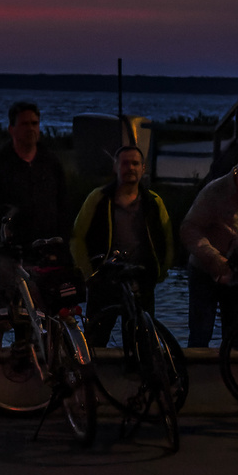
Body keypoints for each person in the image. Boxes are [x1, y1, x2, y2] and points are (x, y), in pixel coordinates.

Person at [0, 101, 72, 320]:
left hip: (45, 256)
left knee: (49, 320)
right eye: (25, 123)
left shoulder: (50, 162)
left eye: (35, 123)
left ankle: (42, 354)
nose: (31, 128)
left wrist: (63, 246)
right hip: (8, 257)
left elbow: (63, 206)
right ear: (11, 129)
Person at [70, 144, 174, 343]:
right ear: (115, 167)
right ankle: (93, 371)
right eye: (125, 163)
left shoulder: (153, 202)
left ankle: (136, 373)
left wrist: (161, 270)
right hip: (104, 277)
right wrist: (87, 272)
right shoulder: (98, 199)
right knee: (95, 337)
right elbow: (78, 236)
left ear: (143, 168)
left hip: (140, 278)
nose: (131, 168)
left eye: (135, 163)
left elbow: (167, 239)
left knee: (140, 339)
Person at [181, 150, 238, 348]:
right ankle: (197, 373)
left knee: (237, 332)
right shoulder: (214, 192)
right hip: (205, 270)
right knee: (201, 330)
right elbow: (190, 228)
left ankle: (232, 373)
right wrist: (211, 256)